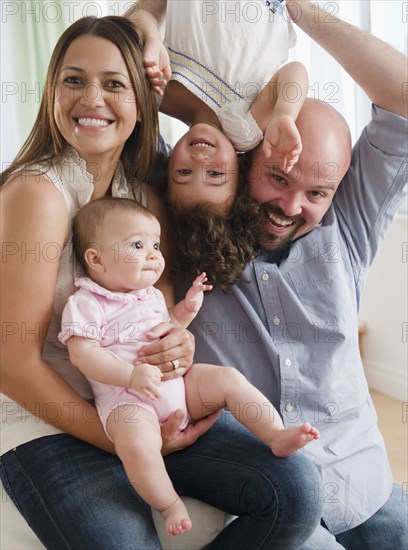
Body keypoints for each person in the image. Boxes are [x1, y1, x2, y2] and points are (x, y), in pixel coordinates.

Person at [0, 13, 324, 550]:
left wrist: (180, 343)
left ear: (141, 101)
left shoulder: (145, 198)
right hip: (48, 421)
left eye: (114, 84)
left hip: (146, 406)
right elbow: (12, 363)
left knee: (295, 494)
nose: (91, 99)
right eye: (73, 80)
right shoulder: (37, 194)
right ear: (52, 91)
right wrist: (124, 439)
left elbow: (161, 317)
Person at [167, 1, 407, 548]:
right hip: (262, 484)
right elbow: (129, 86)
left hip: (358, 478)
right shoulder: (191, 206)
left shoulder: (348, 227)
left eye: (316, 193)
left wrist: (298, 9)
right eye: (278, 178)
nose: (290, 206)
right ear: (248, 159)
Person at [59, 196, 319, 536]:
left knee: (227, 378)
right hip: (128, 400)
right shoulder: (86, 302)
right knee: (137, 445)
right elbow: (83, 354)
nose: (153, 254)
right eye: (137, 245)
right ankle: (168, 504)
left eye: (154, 244)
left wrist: (187, 309)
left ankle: (274, 434)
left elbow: (168, 327)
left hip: (178, 386)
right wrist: (131, 376)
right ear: (96, 260)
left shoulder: (149, 293)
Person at [126, 0, 309, 290]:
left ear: (170, 162)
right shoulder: (245, 129)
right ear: (239, 175)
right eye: (215, 175)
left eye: (184, 174)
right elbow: (295, 72)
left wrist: (149, 39)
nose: (200, 161)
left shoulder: (160, 93)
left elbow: (140, 16)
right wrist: (284, 114)